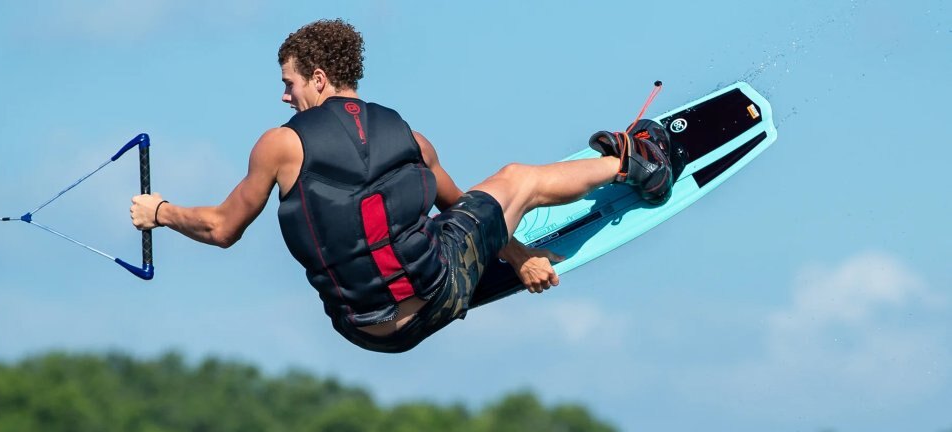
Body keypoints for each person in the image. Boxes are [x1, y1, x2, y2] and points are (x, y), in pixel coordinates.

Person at [129, 19, 676, 353]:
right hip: (441, 292)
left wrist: (159, 211)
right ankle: (634, 163)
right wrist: (514, 251)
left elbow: (222, 228)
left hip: (366, 332)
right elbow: (464, 209)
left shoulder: (280, 145)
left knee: (425, 229)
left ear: (318, 79)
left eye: (289, 84)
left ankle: (609, 181)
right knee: (516, 181)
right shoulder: (410, 139)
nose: (285, 96)